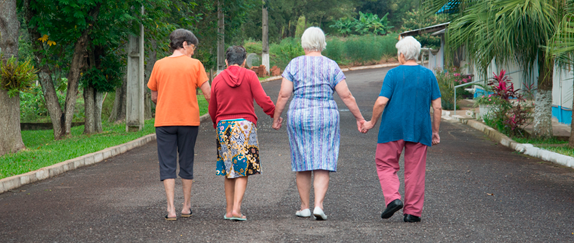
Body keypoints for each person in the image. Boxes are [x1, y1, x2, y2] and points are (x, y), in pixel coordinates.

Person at [272, 27, 365, 220]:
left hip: (299, 114)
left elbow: (284, 94)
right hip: (326, 115)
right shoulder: (331, 65)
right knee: (323, 160)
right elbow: (346, 95)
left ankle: (304, 206)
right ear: (322, 43)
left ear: (304, 43)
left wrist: (276, 117)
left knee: (302, 161)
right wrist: (359, 118)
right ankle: (318, 206)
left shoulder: (294, 64)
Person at [361, 36, 442, 223]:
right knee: (415, 171)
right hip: (420, 128)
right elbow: (437, 107)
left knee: (385, 163)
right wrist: (435, 131)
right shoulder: (429, 75)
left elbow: (381, 102)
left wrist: (372, 122)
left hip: (392, 128)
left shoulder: (393, 74)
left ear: (402, 55)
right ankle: (412, 213)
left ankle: (393, 199)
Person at [147, 29, 211, 221]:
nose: (193, 51)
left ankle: (170, 209)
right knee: (186, 160)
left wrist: (168, 103)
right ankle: (186, 206)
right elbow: (208, 94)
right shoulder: (195, 65)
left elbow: (154, 96)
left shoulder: (159, 65)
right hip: (188, 122)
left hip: (164, 121)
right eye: (192, 47)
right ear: (184, 44)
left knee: (167, 163)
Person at [209, 46, 276, 221]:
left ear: (226, 61)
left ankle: (229, 210)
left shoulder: (217, 79)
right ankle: (237, 209)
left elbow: (212, 107)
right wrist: (274, 114)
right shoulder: (250, 76)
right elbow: (262, 99)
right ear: (244, 61)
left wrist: (217, 123)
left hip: (224, 126)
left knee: (228, 168)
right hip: (244, 126)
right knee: (242, 169)